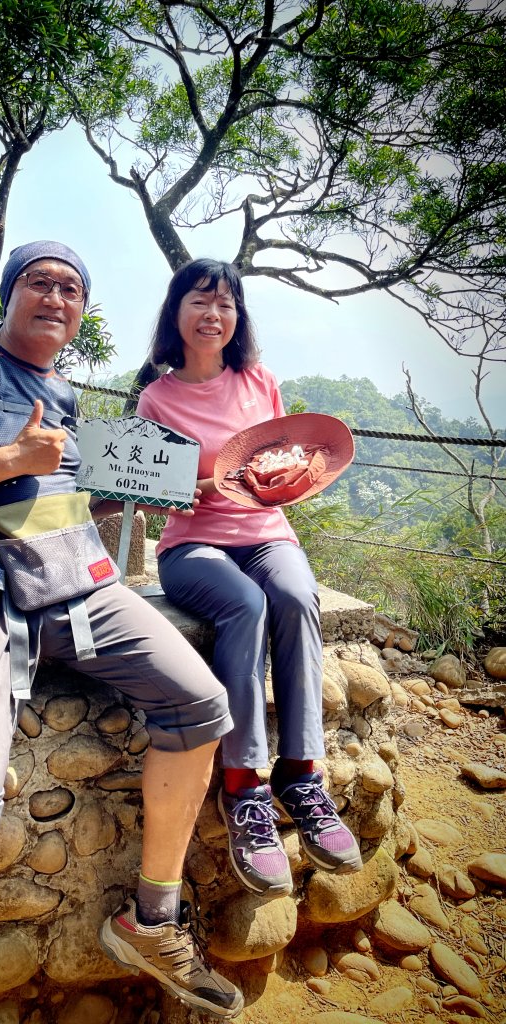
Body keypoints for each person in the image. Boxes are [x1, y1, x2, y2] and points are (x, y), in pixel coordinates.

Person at [0, 241, 244, 1022]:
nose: (56, 296)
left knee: (201, 705)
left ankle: (150, 919)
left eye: (72, 288)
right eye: (39, 282)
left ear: (81, 313)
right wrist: (12, 455)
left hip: (71, 575)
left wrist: (163, 489)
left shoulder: (66, 397)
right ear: (8, 296)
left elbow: (53, 496)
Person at [136, 258, 363, 901]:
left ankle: (302, 775)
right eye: (200, 302)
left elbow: (282, 464)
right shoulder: (158, 396)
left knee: (293, 595)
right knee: (242, 606)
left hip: (266, 537)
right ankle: (245, 787)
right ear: (176, 313)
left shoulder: (260, 381)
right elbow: (153, 496)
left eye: (226, 304)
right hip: (193, 545)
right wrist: (203, 486)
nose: (214, 315)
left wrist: (292, 477)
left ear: (238, 317)